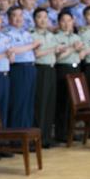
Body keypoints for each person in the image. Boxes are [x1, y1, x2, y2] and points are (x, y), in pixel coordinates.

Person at [6, 6, 42, 128]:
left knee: (29, 103)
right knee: (19, 102)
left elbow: (31, 50)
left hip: (31, 68)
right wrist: (32, 45)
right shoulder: (7, 33)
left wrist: (35, 47)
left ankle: (27, 134)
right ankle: (17, 136)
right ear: (9, 18)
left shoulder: (26, 33)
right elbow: (12, 50)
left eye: (21, 15)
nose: (18, 18)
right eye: (15, 15)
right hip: (18, 68)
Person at [53, 11, 83, 142]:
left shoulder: (76, 36)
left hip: (76, 68)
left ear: (73, 22)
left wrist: (78, 50)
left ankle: (71, 131)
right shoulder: (55, 37)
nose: (66, 24)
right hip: (63, 69)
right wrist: (72, 48)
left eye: (69, 21)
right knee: (62, 101)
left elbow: (82, 55)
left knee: (73, 102)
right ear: (59, 23)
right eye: (63, 21)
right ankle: (61, 133)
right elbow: (58, 57)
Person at [32, 8, 59, 147]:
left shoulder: (51, 35)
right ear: (34, 19)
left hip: (51, 69)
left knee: (49, 103)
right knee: (40, 104)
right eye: (39, 17)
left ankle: (47, 137)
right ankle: (38, 138)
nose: (43, 20)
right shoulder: (32, 35)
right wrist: (52, 50)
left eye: (45, 17)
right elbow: (36, 54)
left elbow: (56, 52)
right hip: (40, 69)